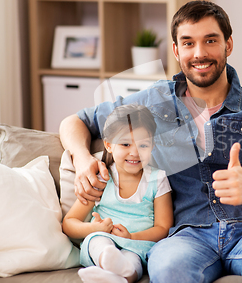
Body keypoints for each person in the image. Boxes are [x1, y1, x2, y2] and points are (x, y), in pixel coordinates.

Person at [59, 0, 242, 282]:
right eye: (188, 43)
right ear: (176, 50)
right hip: (186, 235)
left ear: (228, 45)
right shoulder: (153, 100)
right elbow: (75, 122)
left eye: (210, 40)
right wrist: (83, 158)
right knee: (168, 266)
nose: (199, 53)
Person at [62, 104, 173, 283]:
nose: (135, 152)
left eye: (143, 145)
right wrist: (93, 229)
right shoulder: (101, 179)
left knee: (133, 259)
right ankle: (108, 264)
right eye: (125, 144)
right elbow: (69, 223)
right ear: (109, 145)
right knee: (99, 242)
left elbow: (164, 227)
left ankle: (121, 276)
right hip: (104, 237)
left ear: (152, 146)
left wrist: (131, 237)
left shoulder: (157, 179)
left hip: (138, 244)